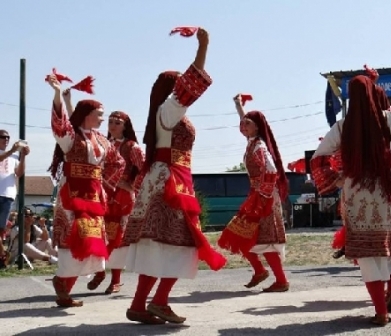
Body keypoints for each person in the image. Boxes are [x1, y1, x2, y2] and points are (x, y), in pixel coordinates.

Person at [310, 71, 391, 326]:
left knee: (369, 253)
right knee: (390, 242)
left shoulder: (341, 126)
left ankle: (381, 312)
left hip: (357, 190)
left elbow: (317, 158)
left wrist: (336, 178)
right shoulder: (387, 120)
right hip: (387, 187)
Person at [122, 27, 226, 325]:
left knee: (160, 244)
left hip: (166, 177)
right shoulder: (169, 109)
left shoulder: (167, 113)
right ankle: (160, 301)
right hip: (171, 180)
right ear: (172, 87)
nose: (183, 85)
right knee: (182, 241)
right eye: (178, 83)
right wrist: (203, 47)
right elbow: (190, 85)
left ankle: (141, 304)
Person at [46, 74, 125, 307]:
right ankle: (63, 284)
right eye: (100, 116)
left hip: (94, 195)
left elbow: (118, 162)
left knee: (93, 239)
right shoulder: (71, 138)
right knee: (74, 239)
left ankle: (68, 286)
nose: (103, 120)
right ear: (88, 116)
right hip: (72, 194)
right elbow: (61, 124)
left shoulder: (102, 139)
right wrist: (58, 94)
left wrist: (106, 184)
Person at [217, 94, 289, 293]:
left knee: (261, 239)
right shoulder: (253, 142)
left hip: (263, 198)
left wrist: (263, 195)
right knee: (240, 234)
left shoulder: (259, 147)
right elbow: (246, 121)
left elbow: (272, 170)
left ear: (256, 126)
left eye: (247, 124)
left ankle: (279, 279)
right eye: (242, 124)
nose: (242, 127)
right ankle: (260, 270)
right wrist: (238, 105)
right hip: (258, 196)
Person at [87, 111, 145, 294]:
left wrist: (131, 186)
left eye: (117, 122)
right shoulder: (102, 144)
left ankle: (116, 280)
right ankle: (99, 271)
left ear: (125, 126)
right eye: (110, 121)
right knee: (98, 234)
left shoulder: (132, 146)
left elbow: (144, 169)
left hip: (122, 198)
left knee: (117, 238)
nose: (112, 125)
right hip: (101, 195)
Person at [0, 129, 29, 268]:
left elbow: (19, 172)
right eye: (3, 137)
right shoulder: (8, 154)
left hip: (7, 194)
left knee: (1, 229)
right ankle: (2, 256)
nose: (6, 140)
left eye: (7, 137)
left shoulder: (13, 157)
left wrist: (23, 156)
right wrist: (12, 150)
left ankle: (2, 257)